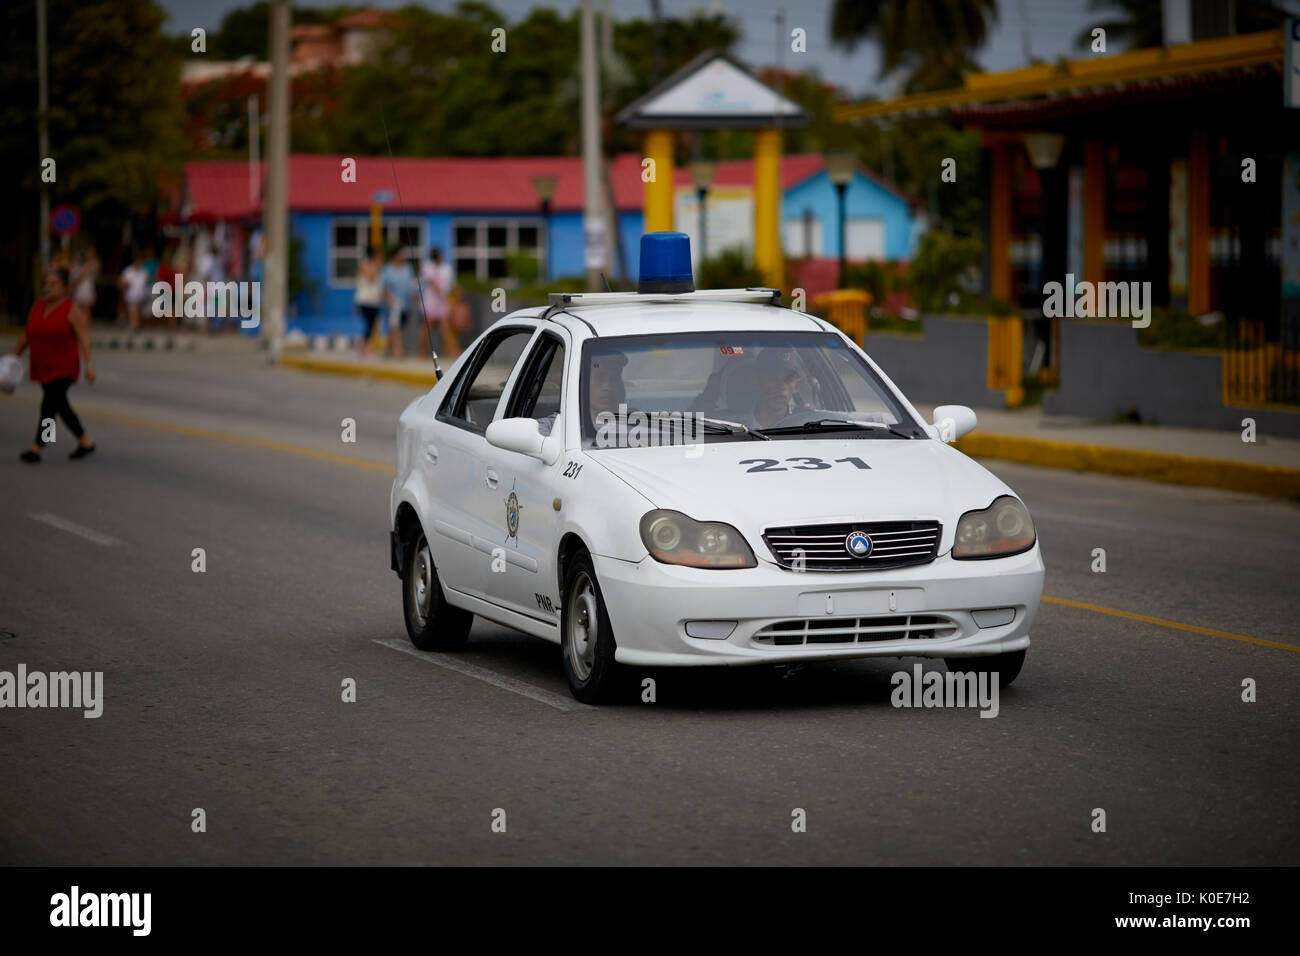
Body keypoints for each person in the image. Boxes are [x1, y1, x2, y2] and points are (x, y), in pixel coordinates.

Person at [12, 267, 96, 462]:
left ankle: (38, 447)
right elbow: (27, 335)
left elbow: (83, 338)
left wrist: (89, 365)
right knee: (60, 405)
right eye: (46, 284)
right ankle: (84, 441)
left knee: (49, 404)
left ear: (65, 287)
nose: (47, 288)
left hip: (64, 366)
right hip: (43, 365)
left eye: (53, 284)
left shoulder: (71, 309)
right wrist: (13, 358)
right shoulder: (38, 307)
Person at [749, 348, 810, 429]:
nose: (781, 386)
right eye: (772, 377)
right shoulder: (734, 427)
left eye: (788, 379)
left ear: (796, 386)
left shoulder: (806, 427)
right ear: (757, 381)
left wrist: (803, 421)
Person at [417, 246, 453, 361]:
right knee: (428, 328)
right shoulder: (428, 268)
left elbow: (449, 285)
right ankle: (421, 351)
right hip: (431, 302)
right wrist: (442, 294)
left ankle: (450, 350)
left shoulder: (446, 269)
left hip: (442, 302)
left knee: (445, 327)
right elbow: (430, 282)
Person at [381, 249, 415, 359]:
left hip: (406, 304)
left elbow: (411, 284)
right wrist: (390, 301)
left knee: (399, 327)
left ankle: (387, 349)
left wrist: (414, 296)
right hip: (394, 303)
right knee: (396, 326)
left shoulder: (408, 269)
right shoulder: (388, 269)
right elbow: (385, 287)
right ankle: (398, 349)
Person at [355, 246, 384, 356]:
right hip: (365, 300)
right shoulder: (364, 265)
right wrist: (377, 267)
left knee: (372, 326)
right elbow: (370, 278)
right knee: (367, 325)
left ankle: (366, 347)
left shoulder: (377, 266)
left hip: (375, 301)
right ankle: (362, 347)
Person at [119, 251, 148, 332]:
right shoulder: (128, 271)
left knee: (138, 311)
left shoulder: (144, 272)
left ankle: (136, 325)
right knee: (133, 308)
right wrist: (124, 285)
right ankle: (134, 326)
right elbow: (121, 282)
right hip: (130, 295)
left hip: (142, 295)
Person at [72, 248, 99, 315]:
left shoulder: (93, 263)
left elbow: (82, 276)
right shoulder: (83, 264)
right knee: (79, 309)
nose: (88, 254)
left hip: (86, 287)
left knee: (86, 309)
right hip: (80, 288)